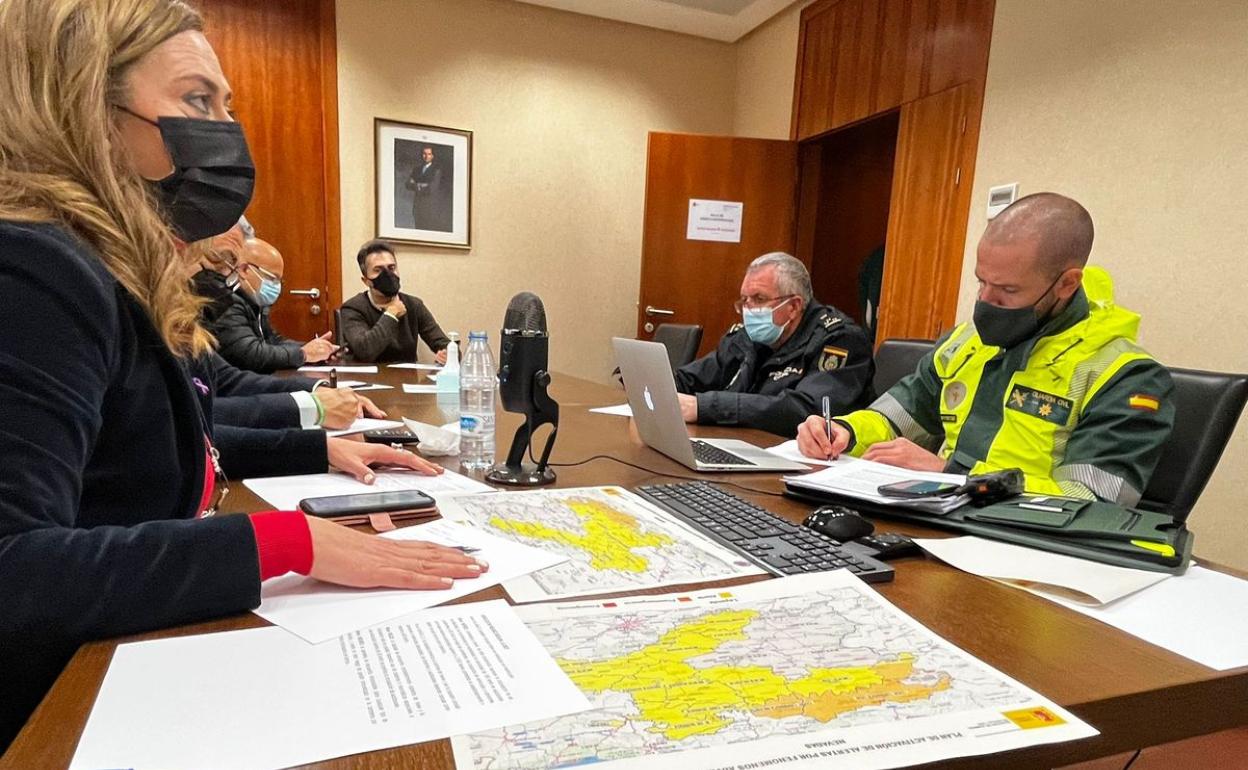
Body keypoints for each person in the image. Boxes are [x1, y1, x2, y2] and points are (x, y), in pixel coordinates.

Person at [0, 0, 485, 748]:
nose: (226, 130)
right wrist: (286, 544)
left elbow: (160, 440)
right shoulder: (33, 269)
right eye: (198, 100)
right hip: (52, 713)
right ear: (84, 108)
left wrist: (317, 447)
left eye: (227, 105)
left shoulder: (106, 268)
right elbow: (14, 569)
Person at [797, 193, 1175, 504]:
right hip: (941, 521)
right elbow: (900, 415)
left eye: (1008, 290)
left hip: (1027, 557)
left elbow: (1090, 502)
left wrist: (954, 475)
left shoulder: (1123, 375)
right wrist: (843, 429)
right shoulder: (967, 343)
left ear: (1066, 284)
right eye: (981, 283)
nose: (985, 302)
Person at [673, 252, 875, 437]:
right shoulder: (746, 338)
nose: (748, 310)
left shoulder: (839, 339)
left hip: (805, 461)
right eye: (745, 300)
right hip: (743, 445)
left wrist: (705, 407)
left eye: (759, 299)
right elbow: (690, 379)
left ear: (794, 306)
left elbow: (806, 410)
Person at [208, 235, 340, 372]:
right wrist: (304, 354)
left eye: (279, 281)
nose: (276, 286)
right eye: (272, 278)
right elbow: (250, 354)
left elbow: (272, 341)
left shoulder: (254, 303)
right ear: (244, 270)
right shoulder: (225, 301)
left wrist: (314, 348)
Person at [340, 239, 452, 364]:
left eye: (391, 268)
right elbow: (365, 351)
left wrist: (449, 354)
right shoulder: (352, 308)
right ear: (366, 280)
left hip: (407, 380)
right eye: (378, 270)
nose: (387, 274)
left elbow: (443, 343)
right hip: (368, 380)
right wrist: (391, 314)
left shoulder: (414, 305)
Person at [406, 145, 451, 232]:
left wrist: (415, 184)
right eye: (424, 154)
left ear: (432, 156)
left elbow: (431, 188)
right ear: (421, 155)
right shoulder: (417, 169)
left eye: (429, 154)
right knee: (418, 228)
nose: (426, 156)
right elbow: (407, 184)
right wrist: (421, 185)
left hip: (429, 205)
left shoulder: (436, 170)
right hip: (417, 204)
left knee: (427, 229)